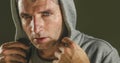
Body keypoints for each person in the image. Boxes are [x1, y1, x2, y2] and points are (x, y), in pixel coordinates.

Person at [0, 0, 120, 63]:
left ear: (65, 13)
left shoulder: (102, 53)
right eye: (26, 17)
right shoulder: (13, 58)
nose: (35, 29)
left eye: (46, 14)